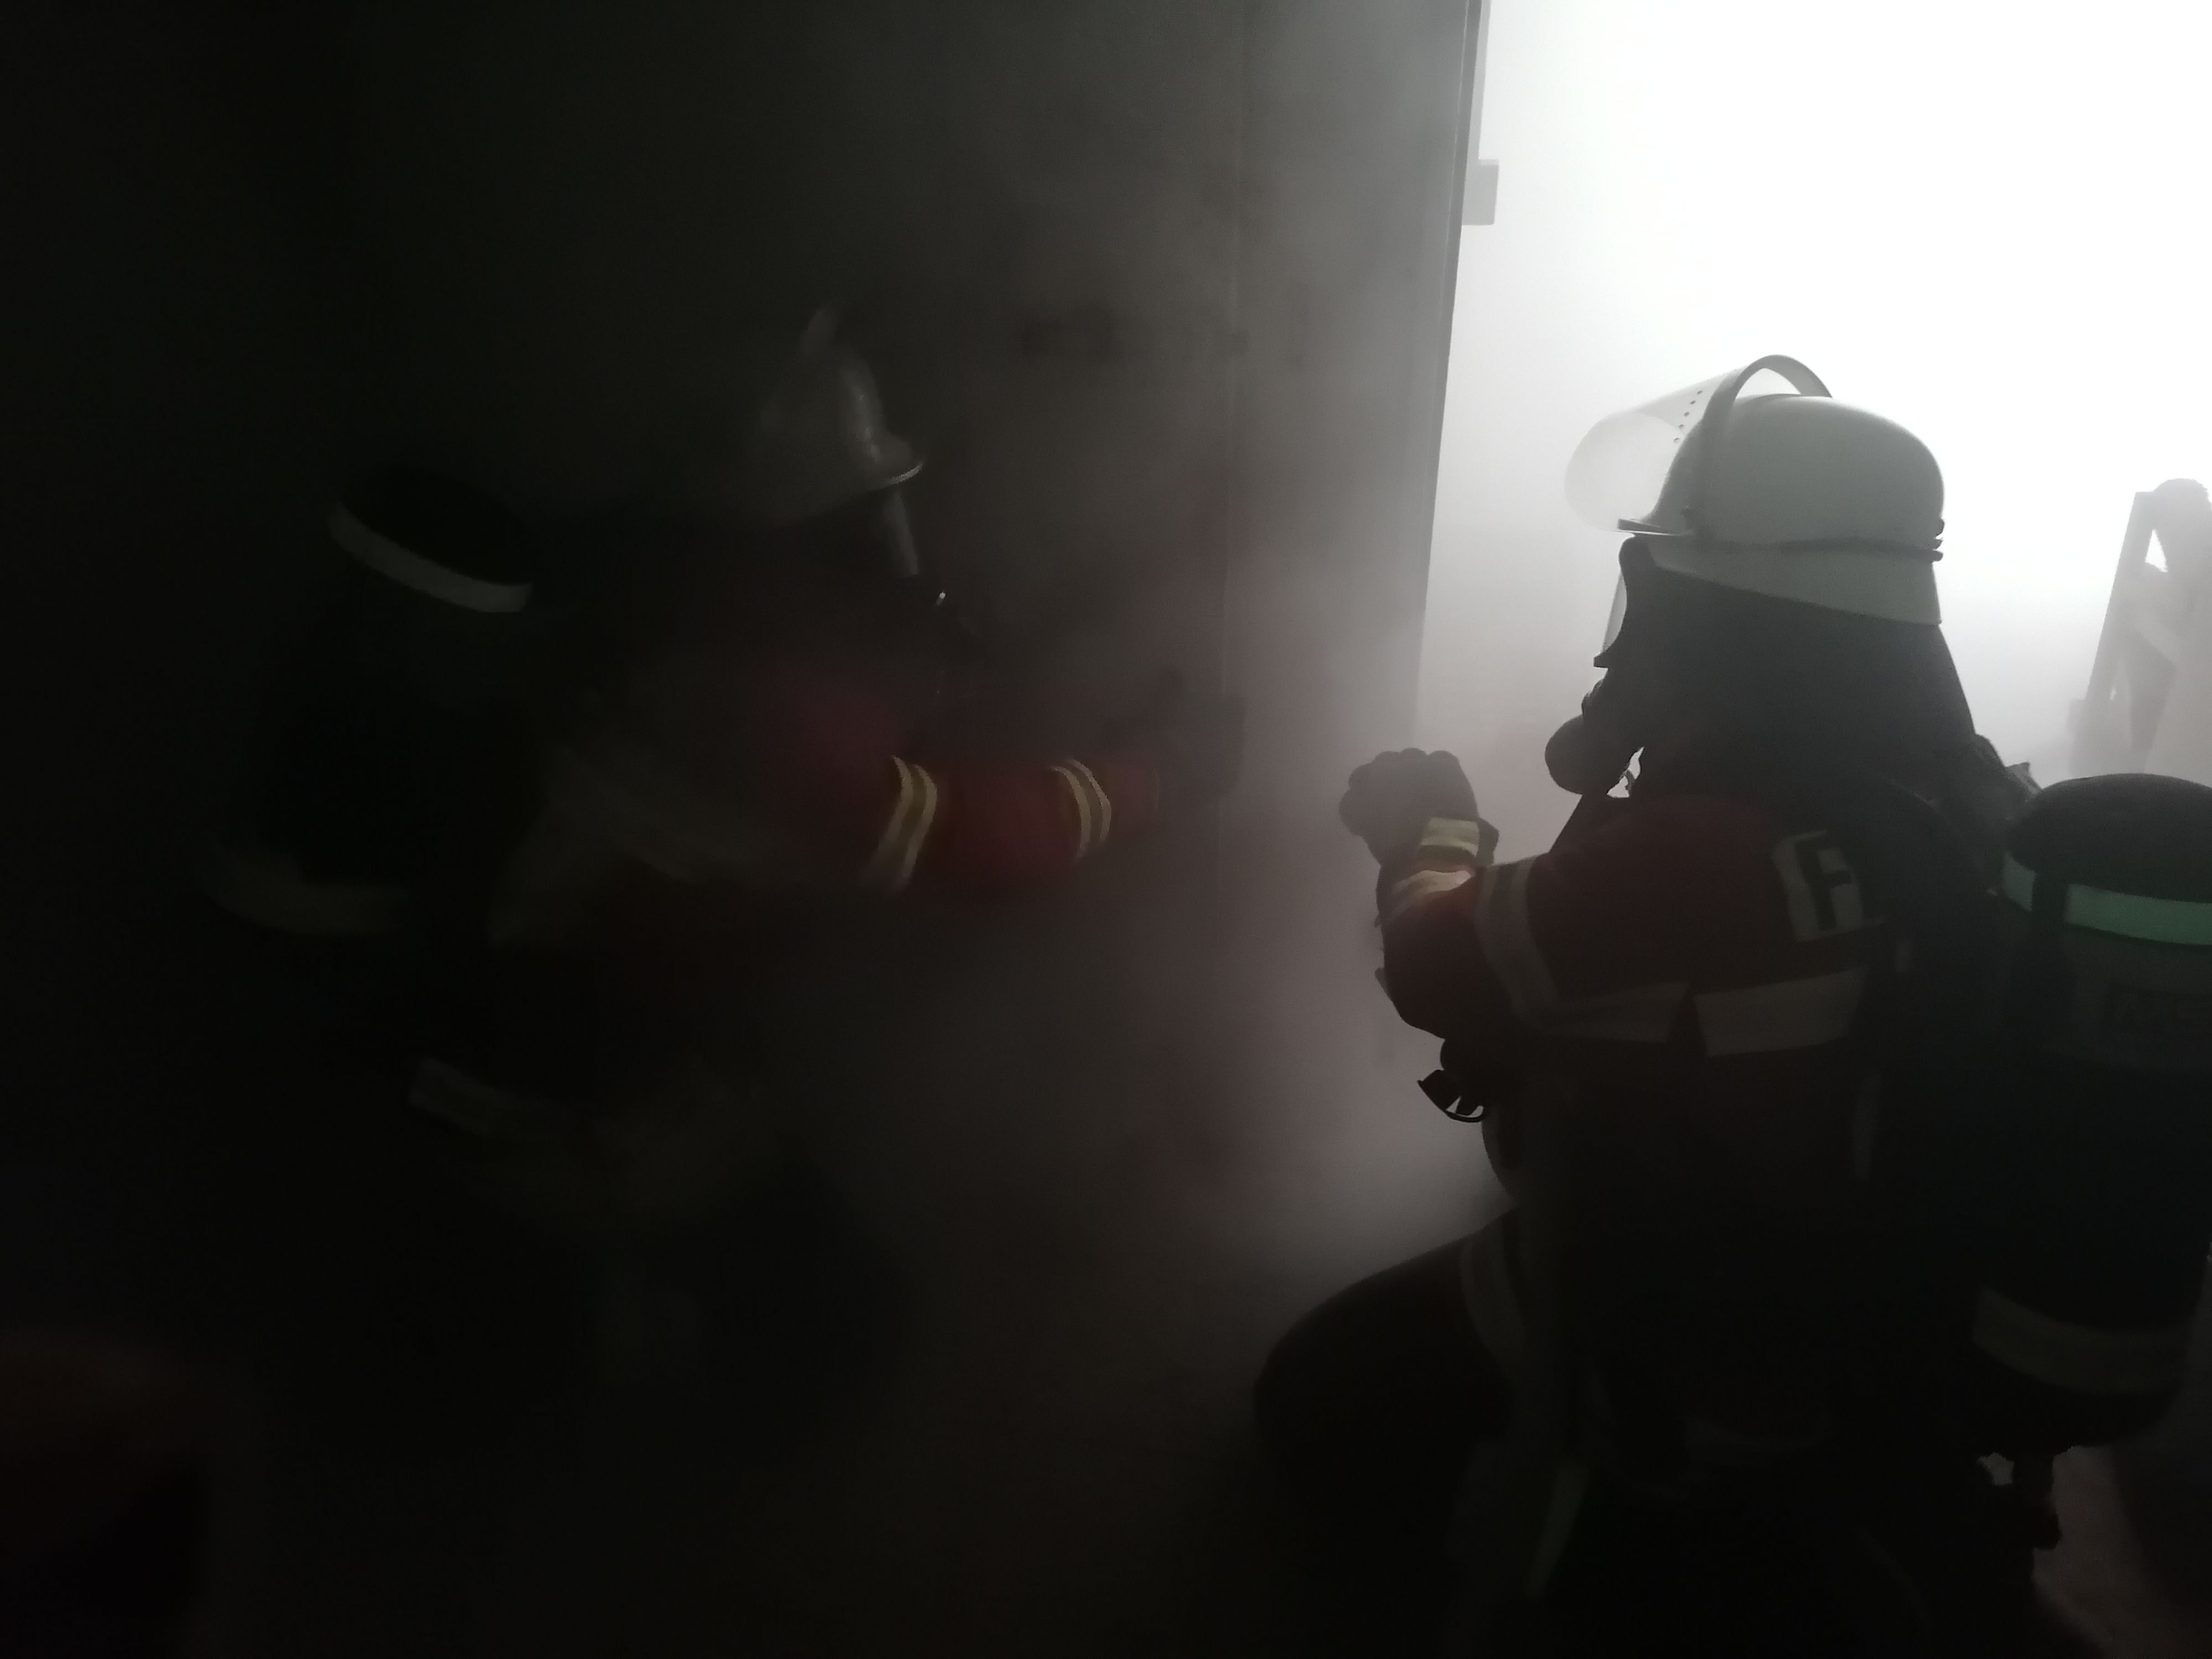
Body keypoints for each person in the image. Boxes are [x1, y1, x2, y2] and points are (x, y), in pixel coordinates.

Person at [1258, 358, 2043, 1654]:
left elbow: (1438, 966)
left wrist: (1429, 828)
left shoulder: (1698, 859)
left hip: (1702, 1343)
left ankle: (1655, 1568)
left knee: (1311, 1404)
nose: (1626, 640)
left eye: (1652, 597)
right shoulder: (1966, 808)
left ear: (1716, 615)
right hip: (1881, 1319)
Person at [435, 310, 1244, 1377]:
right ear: (783, 536)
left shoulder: (679, 617)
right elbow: (965, 842)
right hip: (566, 1079)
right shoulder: (753, 700)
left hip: (610, 1010)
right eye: (859, 523)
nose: (884, 548)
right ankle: (594, 1334)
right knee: (842, 1334)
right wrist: (1152, 776)